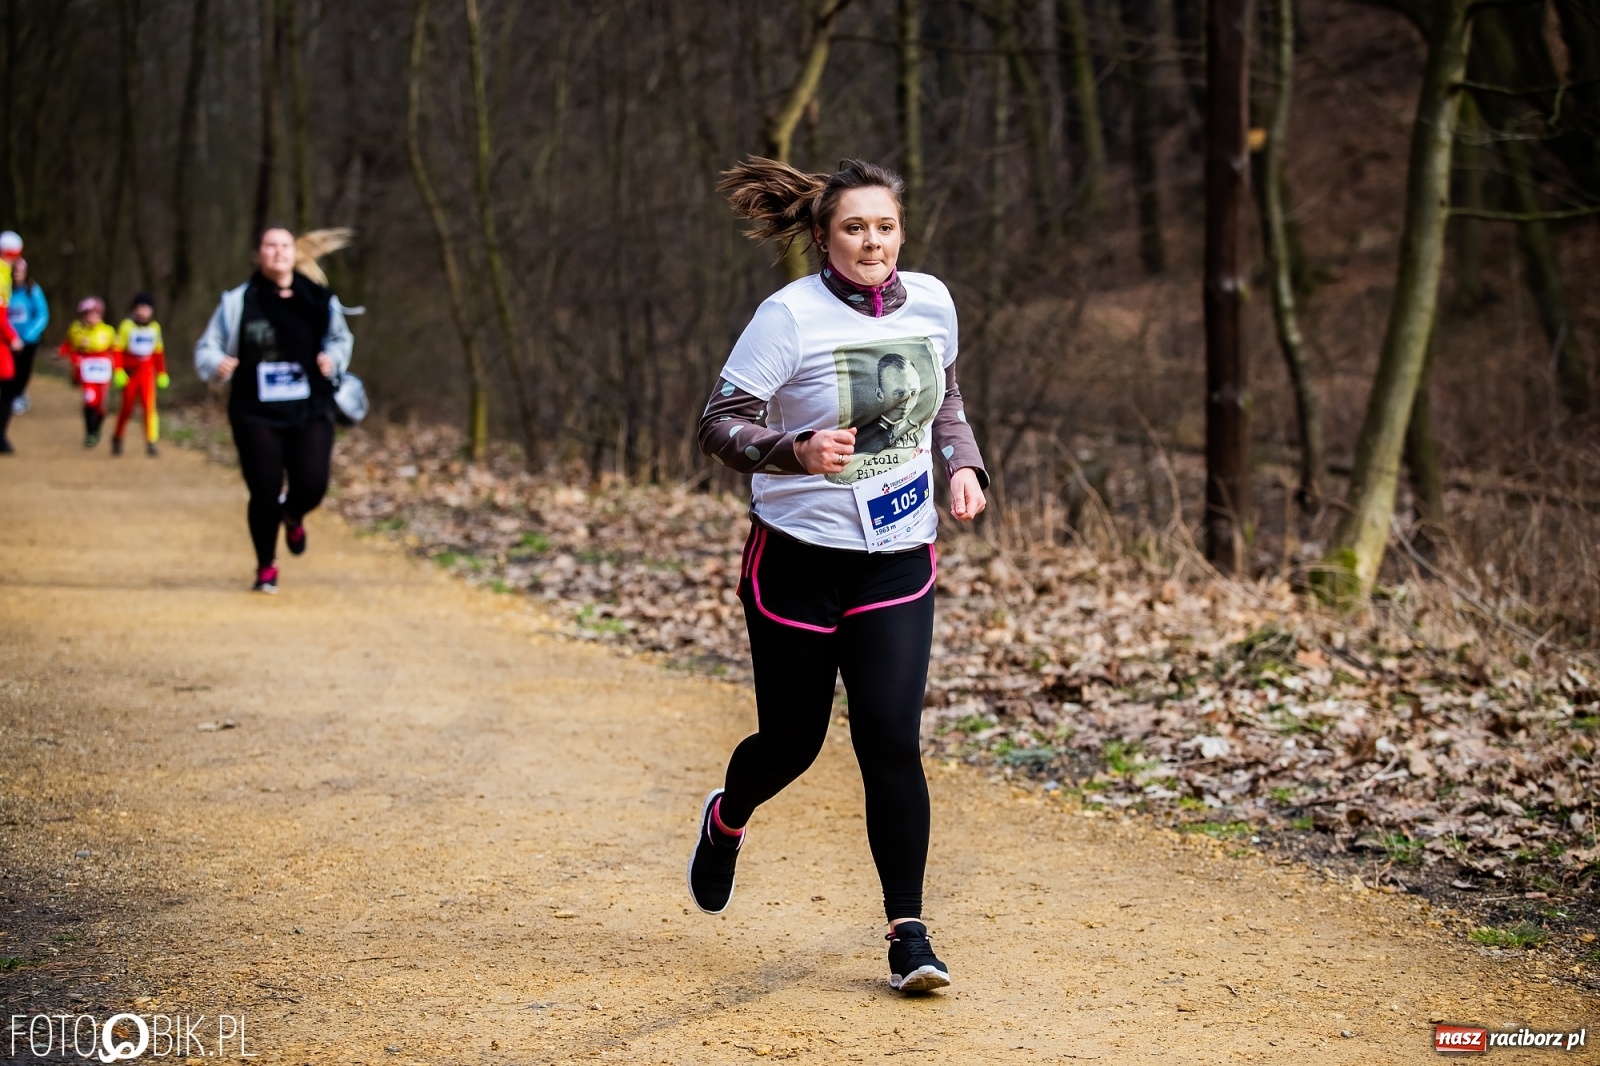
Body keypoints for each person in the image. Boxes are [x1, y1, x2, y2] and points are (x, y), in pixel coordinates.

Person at [687, 158, 988, 994]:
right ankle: (727, 817)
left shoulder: (933, 301)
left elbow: (948, 399)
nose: (872, 242)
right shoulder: (787, 317)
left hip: (897, 557)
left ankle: (909, 934)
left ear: (902, 230)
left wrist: (964, 467)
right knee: (793, 742)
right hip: (797, 560)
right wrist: (797, 452)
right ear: (823, 237)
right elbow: (719, 422)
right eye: (854, 227)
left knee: (890, 739)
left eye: (885, 226)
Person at [194, 224, 354, 594]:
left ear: (295, 253)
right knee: (263, 489)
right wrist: (217, 365)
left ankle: (294, 512)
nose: (278, 252)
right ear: (259, 254)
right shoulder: (239, 301)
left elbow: (340, 338)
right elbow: (208, 346)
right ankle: (266, 565)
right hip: (255, 411)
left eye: (284, 245)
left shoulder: (319, 299)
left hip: (310, 407)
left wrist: (333, 358)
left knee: (312, 483)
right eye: (270, 246)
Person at [111, 292, 169, 457]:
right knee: (127, 408)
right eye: (140, 307)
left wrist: (162, 372)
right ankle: (118, 436)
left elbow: (158, 352)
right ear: (135, 309)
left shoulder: (155, 328)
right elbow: (118, 350)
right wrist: (118, 371)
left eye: (147, 308)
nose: (143, 311)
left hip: (147, 373)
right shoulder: (126, 326)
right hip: (130, 373)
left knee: (149, 407)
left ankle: (151, 441)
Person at [57, 297, 117, 448]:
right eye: (87, 314)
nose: (90, 317)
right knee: (89, 400)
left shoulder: (108, 331)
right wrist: (64, 354)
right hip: (86, 371)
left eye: (94, 314)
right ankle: (90, 432)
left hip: (103, 373)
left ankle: (97, 429)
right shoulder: (76, 329)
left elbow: (116, 351)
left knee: (101, 405)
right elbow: (69, 346)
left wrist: (116, 364)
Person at [2, 257, 49, 431]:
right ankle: (11, 397)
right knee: (9, 372)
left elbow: (42, 314)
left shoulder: (33, 290)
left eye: (20, 271)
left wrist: (29, 333)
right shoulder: (5, 289)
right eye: (14, 271)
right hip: (8, 340)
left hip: (28, 340)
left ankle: (19, 393)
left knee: (24, 370)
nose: (17, 275)